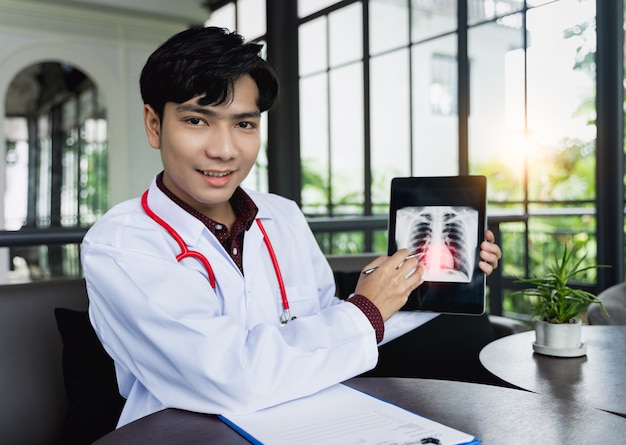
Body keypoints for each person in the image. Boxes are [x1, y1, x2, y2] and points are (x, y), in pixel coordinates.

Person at [81, 26, 502, 428]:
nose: (225, 149)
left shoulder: (282, 216)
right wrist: (365, 309)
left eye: (244, 124)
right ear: (154, 125)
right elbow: (229, 375)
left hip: (311, 423)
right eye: (197, 121)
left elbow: (328, 337)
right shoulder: (121, 245)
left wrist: (435, 278)